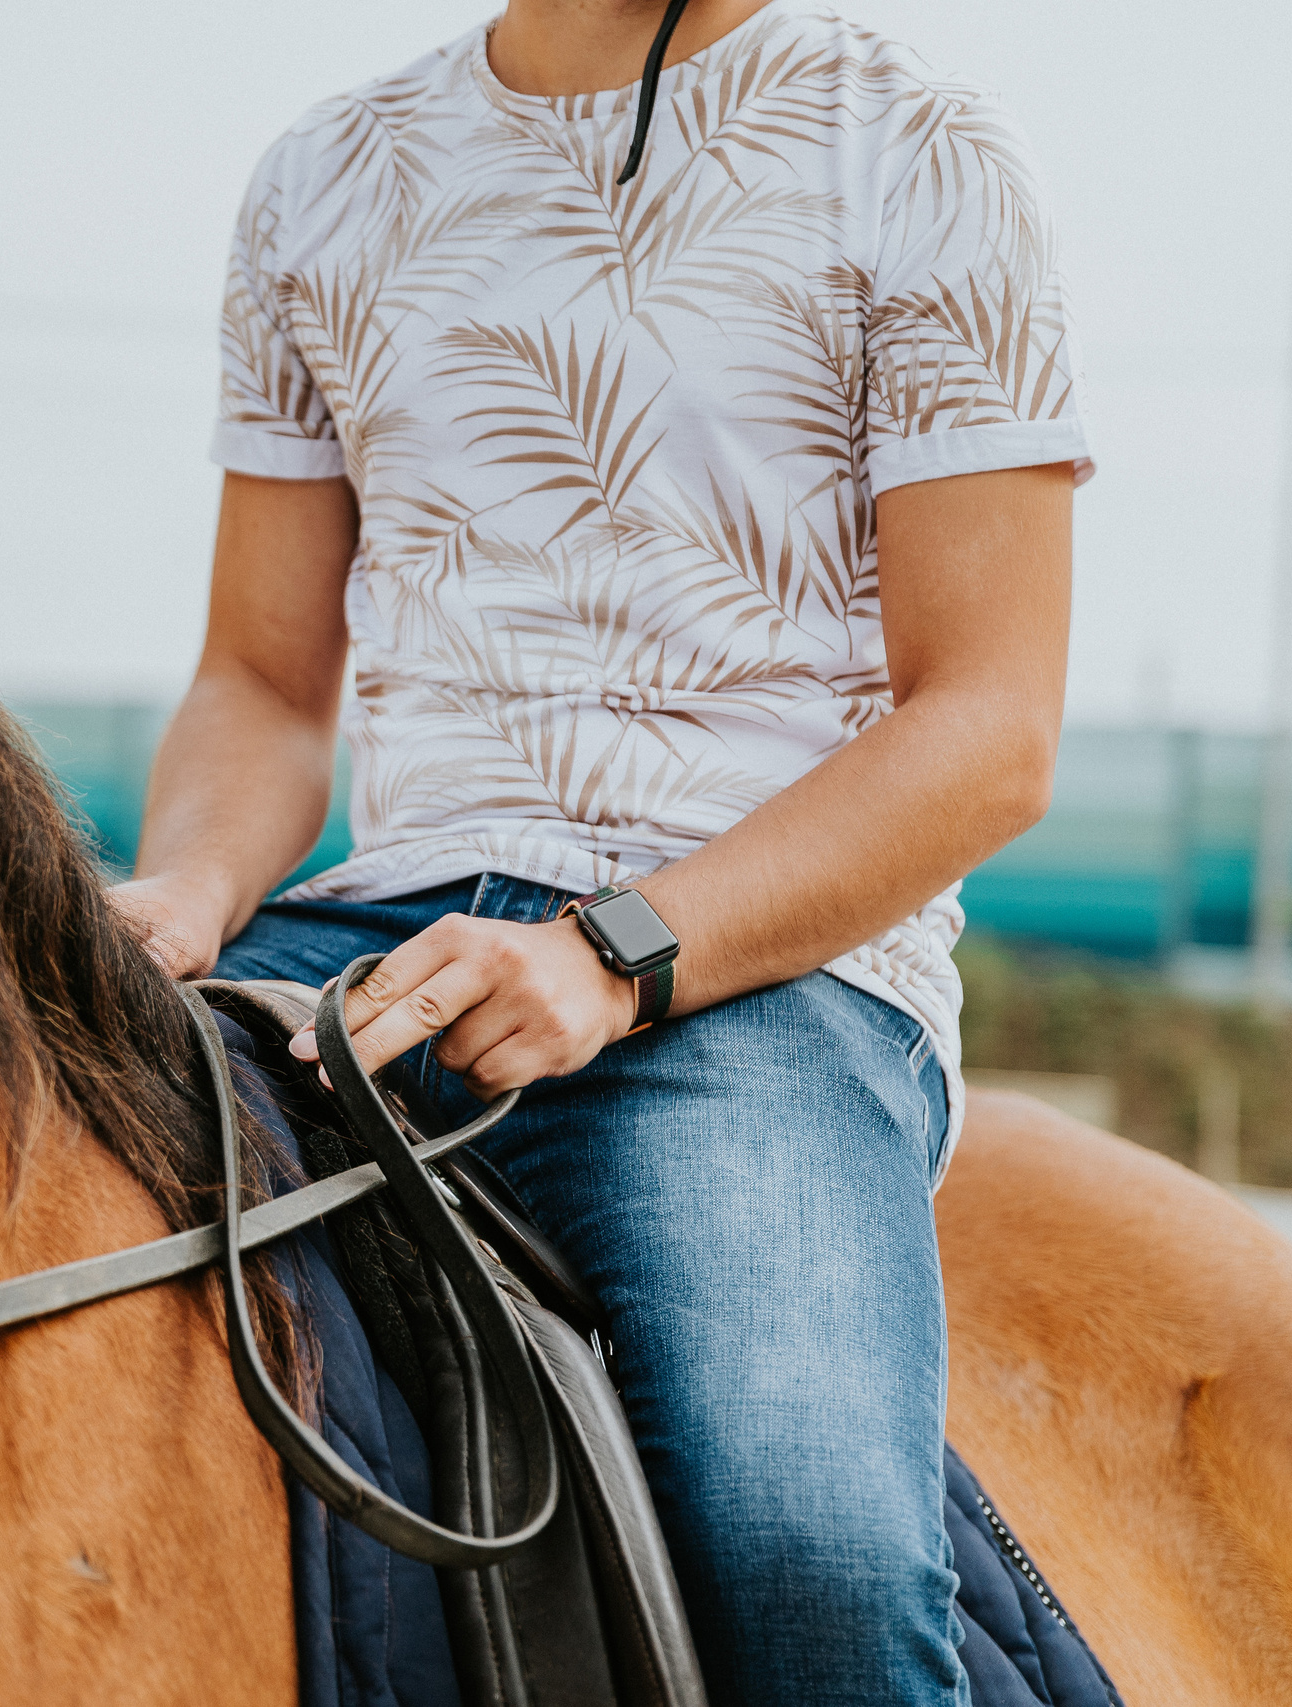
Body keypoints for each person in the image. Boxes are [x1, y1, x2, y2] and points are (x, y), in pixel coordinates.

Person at [110, 0, 1089, 1700]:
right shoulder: (326, 179)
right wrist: (184, 893)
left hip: (760, 985)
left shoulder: (920, 156)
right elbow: (263, 686)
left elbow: (989, 731)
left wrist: (612, 953)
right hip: (379, 951)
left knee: (813, 1558)